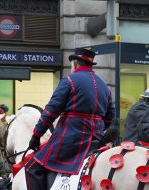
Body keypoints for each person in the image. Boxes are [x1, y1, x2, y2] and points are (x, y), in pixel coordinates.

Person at [26, 48, 116, 190]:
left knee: (32, 167)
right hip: (96, 140)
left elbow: (50, 112)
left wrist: (36, 136)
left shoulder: (69, 80)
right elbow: (110, 118)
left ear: (74, 64)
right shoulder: (104, 86)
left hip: (70, 139)